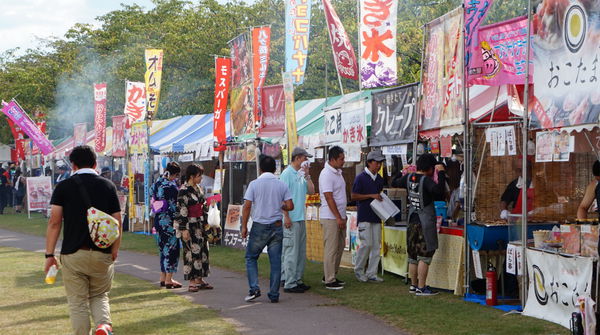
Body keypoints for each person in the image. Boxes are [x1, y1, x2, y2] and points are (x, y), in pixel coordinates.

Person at [44, 145, 121, 335]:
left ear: (73, 165)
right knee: (100, 295)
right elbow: (117, 222)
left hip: (73, 252)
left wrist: (49, 254)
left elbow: (55, 222)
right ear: (95, 163)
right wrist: (114, 250)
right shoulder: (108, 186)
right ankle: (103, 326)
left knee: (77, 302)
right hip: (102, 252)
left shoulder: (63, 186)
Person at [241, 155, 293, 303]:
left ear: (260, 168)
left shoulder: (254, 184)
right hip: (276, 225)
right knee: (276, 261)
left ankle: (254, 288)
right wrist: (280, 205)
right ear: (275, 169)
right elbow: (290, 205)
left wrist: (244, 226)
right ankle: (274, 294)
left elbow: (247, 206)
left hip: (259, 225)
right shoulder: (281, 184)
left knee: (251, 257)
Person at [393, 153, 446, 296]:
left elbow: (394, 182)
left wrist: (402, 171)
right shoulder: (426, 181)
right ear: (429, 168)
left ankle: (413, 285)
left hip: (411, 221)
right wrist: (441, 173)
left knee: (413, 255)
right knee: (424, 255)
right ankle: (422, 288)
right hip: (425, 223)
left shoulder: (409, 178)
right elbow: (440, 192)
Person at [279, 147, 315, 293]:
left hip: (300, 217)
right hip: (292, 218)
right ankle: (290, 281)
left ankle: (295, 278)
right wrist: (286, 216)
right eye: (305, 158)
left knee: (299, 251)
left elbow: (312, 191)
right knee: (291, 251)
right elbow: (280, 197)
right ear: (299, 158)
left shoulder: (300, 175)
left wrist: (308, 176)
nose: (306, 161)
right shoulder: (287, 174)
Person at [175, 164, 214, 292]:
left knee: (203, 251)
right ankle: (192, 280)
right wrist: (183, 229)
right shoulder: (184, 190)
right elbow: (182, 210)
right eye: (199, 175)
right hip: (189, 225)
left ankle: (200, 278)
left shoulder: (198, 188)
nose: (201, 178)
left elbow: (202, 204)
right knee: (191, 252)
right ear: (192, 176)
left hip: (200, 223)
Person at [351, 150, 386, 283]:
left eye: (380, 163)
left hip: (376, 215)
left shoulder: (380, 179)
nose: (379, 165)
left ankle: (372, 272)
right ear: (370, 162)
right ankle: (359, 270)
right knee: (366, 244)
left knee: (376, 246)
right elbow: (354, 196)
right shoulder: (360, 178)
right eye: (377, 162)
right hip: (365, 215)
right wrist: (371, 196)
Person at [319, 146, 347, 290]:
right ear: (333, 159)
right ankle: (329, 279)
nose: (343, 161)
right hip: (330, 217)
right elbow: (329, 197)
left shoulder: (338, 173)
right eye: (341, 159)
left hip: (340, 215)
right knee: (331, 248)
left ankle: (331, 274)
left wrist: (342, 216)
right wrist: (338, 217)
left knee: (340, 246)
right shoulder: (326, 174)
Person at [151, 162, 183, 289]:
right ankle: (169, 279)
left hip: (159, 220)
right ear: (174, 174)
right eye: (176, 175)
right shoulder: (172, 187)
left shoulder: (157, 183)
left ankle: (163, 277)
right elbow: (175, 206)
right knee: (172, 249)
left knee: (163, 249)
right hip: (169, 222)